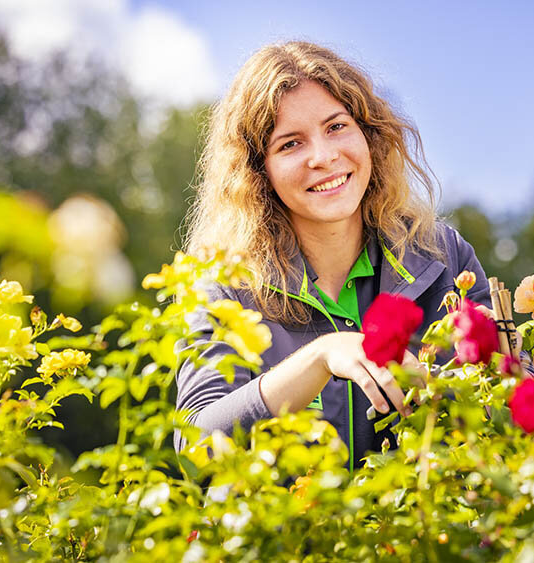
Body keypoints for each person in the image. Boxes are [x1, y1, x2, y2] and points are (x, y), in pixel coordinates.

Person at [175, 41, 492, 472]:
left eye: (337, 126)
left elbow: (513, 402)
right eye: (290, 144)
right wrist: (320, 357)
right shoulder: (223, 285)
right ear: (257, 170)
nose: (323, 157)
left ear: (369, 134)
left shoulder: (441, 255)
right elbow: (198, 451)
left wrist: (438, 391)